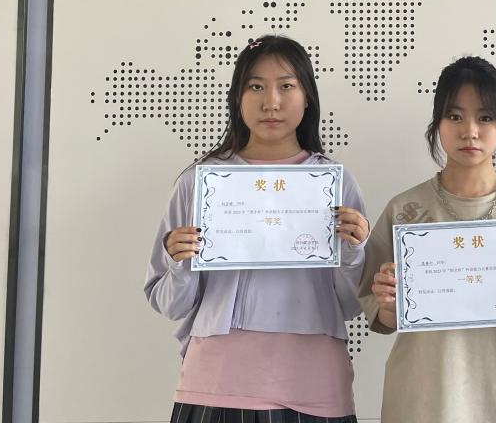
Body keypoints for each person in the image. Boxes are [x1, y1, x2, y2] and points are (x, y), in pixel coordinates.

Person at [145, 35, 369, 423]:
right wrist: (179, 261)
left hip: (314, 386)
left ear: (308, 97)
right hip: (216, 383)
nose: (271, 102)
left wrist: (353, 251)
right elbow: (169, 304)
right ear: (237, 97)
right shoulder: (200, 182)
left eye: (286, 86)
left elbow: (352, 305)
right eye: (256, 87)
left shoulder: (335, 183)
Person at [359, 56, 496, 423]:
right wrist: (387, 302)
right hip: (423, 402)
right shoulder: (405, 210)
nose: (470, 131)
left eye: (485, 118)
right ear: (437, 125)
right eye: (454, 116)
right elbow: (382, 317)